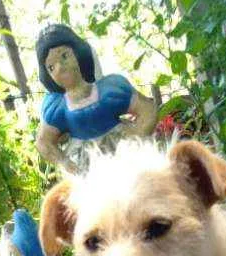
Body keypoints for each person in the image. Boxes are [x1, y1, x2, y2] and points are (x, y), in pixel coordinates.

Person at [35, 23, 158, 173]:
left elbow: (147, 109)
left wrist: (137, 135)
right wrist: (64, 161)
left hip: (123, 154)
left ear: (78, 53)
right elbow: (43, 142)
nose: (60, 67)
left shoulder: (111, 88)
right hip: (86, 165)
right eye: (51, 67)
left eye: (65, 56)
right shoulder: (57, 107)